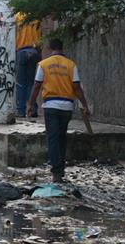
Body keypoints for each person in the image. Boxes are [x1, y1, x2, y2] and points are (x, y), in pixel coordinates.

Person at [27, 38, 90, 183]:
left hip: (50, 106)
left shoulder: (43, 64)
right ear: (62, 48)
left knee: (53, 138)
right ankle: (60, 171)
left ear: (49, 48)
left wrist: (30, 104)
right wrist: (85, 104)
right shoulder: (71, 65)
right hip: (67, 106)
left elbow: (37, 86)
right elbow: (77, 88)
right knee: (62, 138)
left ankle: (56, 172)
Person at [15, 12, 42, 117]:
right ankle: (33, 110)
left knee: (20, 83)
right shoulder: (36, 17)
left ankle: (20, 111)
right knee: (31, 83)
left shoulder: (17, 17)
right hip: (34, 51)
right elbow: (40, 39)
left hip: (21, 52)